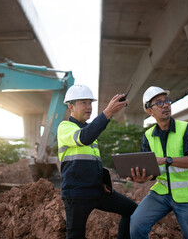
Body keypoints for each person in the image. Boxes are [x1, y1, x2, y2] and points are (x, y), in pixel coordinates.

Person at [57, 84, 137, 239]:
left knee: (131, 210)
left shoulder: (89, 129)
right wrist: (108, 112)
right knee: (76, 236)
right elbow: (84, 137)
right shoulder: (65, 127)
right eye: (83, 103)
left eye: (90, 103)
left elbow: (89, 162)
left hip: (97, 190)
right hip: (77, 193)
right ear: (70, 107)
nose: (89, 107)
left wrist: (102, 181)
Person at [128, 86, 188, 239]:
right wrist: (143, 178)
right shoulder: (148, 136)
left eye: (167, 101)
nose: (165, 105)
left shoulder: (187, 129)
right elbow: (151, 169)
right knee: (135, 225)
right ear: (149, 111)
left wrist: (166, 160)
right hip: (161, 193)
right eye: (159, 103)